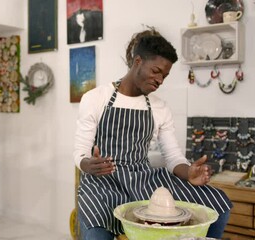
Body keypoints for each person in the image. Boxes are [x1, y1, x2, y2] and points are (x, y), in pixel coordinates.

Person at [73, 27, 232, 239]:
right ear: (138, 61)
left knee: (218, 204)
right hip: (102, 183)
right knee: (96, 233)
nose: (160, 80)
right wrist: (87, 164)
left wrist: (189, 173)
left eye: (164, 76)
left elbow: (173, 158)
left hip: (141, 179)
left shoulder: (159, 107)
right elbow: (80, 152)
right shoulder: (96, 98)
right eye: (156, 71)